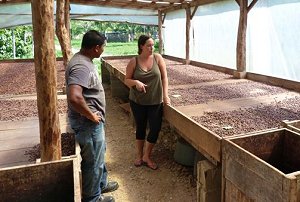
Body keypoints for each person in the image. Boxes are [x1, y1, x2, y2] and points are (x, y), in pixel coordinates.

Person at [65, 30, 118, 202]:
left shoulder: (84, 60)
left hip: (91, 122)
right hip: (87, 124)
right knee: (92, 161)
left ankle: (100, 184)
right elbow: (74, 97)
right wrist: (91, 115)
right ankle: (93, 198)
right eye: (103, 47)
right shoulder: (81, 66)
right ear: (96, 48)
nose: (103, 49)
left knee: (99, 154)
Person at [125, 35, 171, 170]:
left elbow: (164, 77)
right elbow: (126, 79)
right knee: (140, 127)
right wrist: (135, 82)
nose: (152, 48)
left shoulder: (157, 58)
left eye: (153, 45)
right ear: (141, 46)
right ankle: (139, 155)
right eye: (149, 45)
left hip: (155, 101)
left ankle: (147, 156)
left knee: (155, 128)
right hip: (137, 101)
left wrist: (165, 96)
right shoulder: (134, 61)